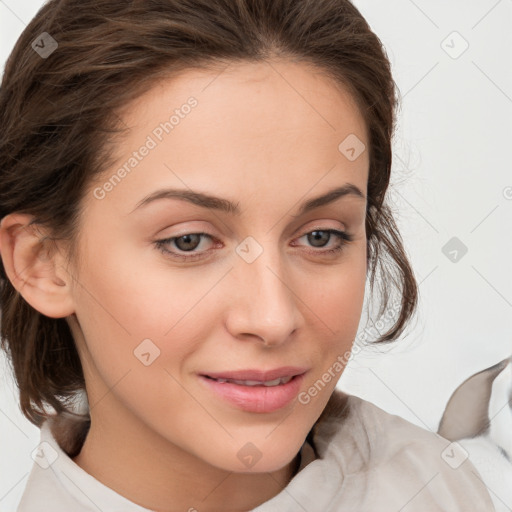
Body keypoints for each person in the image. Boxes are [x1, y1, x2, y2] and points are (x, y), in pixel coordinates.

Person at [0, 0, 496, 510]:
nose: (272, 318)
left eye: (321, 236)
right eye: (188, 241)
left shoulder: (449, 486)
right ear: (43, 263)